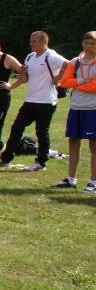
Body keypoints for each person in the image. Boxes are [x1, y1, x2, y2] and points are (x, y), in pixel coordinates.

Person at [0, 31, 67, 172]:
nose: (31, 43)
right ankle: (5, 158)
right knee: (17, 128)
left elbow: (69, 65)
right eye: (31, 41)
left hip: (46, 102)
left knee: (41, 132)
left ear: (44, 42)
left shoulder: (51, 56)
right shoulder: (30, 57)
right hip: (30, 100)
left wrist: (59, 77)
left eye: (34, 41)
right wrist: (23, 74)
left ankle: (41, 162)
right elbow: (25, 79)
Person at [53, 31, 96, 192]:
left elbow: (95, 86)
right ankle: (71, 179)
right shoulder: (75, 62)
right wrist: (80, 81)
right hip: (76, 107)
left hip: (93, 109)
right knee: (73, 142)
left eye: (93, 43)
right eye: (87, 43)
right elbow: (64, 82)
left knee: (94, 145)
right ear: (82, 44)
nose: (89, 46)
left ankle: (93, 182)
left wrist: (76, 84)